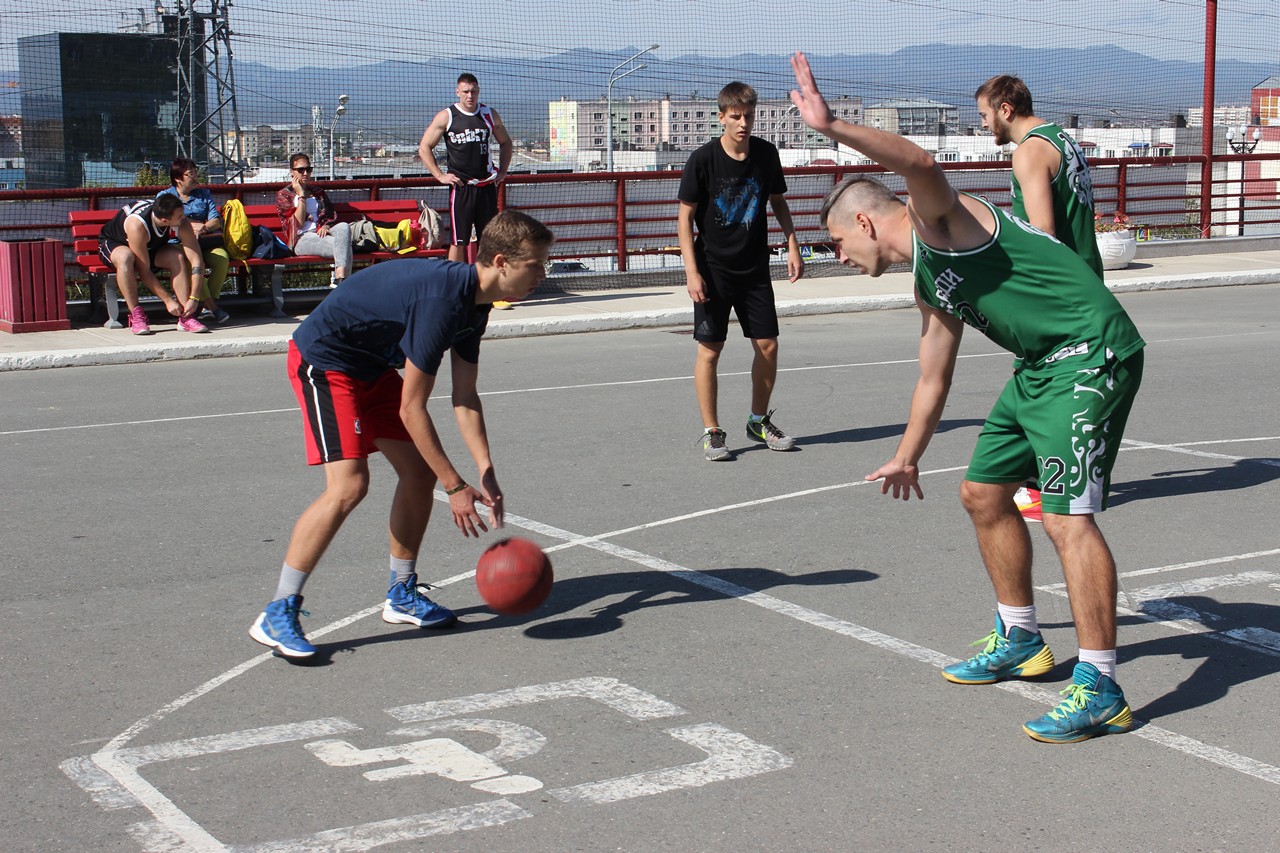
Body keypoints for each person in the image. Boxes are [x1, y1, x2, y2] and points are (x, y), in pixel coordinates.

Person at [790, 52, 1145, 743]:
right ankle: (1020, 638)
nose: (834, 253)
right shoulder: (928, 278)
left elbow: (920, 164)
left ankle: (1101, 686)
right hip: (1043, 364)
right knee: (983, 492)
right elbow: (933, 376)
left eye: (833, 241)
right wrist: (906, 456)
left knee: (1066, 518)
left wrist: (831, 125)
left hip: (1089, 351)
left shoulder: (939, 225)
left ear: (863, 224)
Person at [249, 210, 554, 659]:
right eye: (536, 265)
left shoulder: (477, 306)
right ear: (503, 261)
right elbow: (413, 409)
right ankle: (278, 610)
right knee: (349, 486)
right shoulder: (442, 302)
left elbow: (465, 396)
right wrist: (455, 486)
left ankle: (401, 593)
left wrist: (484, 471)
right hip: (325, 359)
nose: (542, 276)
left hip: (368, 365)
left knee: (417, 473)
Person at [975, 74, 1104, 523]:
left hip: (1058, 292)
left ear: (1005, 109)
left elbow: (1043, 233)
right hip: (1087, 278)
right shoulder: (1063, 139)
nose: (984, 125)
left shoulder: (1029, 151)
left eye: (985, 115)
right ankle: (1055, 478)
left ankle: (1037, 486)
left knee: (1041, 382)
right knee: (1059, 382)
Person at [677, 81, 804, 462]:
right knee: (710, 350)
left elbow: (777, 201)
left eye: (749, 116)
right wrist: (691, 272)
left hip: (755, 269)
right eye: (736, 117)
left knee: (768, 345)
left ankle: (758, 419)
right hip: (713, 270)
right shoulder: (702, 160)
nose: (744, 123)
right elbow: (684, 219)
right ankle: (712, 431)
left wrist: (793, 243)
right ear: (722, 118)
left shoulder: (766, 154)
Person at [417, 73, 514, 307]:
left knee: (490, 240)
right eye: (466, 91)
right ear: (457, 92)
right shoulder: (448, 116)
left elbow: (506, 142)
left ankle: (492, 291)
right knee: (458, 241)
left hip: (486, 187)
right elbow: (424, 147)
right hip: (461, 188)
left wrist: (502, 172)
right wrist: (440, 175)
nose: (470, 96)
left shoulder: (488, 115)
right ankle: (455, 290)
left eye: (474, 91)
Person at [97, 193, 211, 335]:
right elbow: (144, 270)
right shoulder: (137, 225)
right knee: (126, 258)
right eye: (180, 216)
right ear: (165, 220)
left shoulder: (181, 222)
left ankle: (186, 316)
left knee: (177, 257)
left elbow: (197, 261)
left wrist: (194, 299)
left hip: (149, 246)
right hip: (115, 244)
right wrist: (168, 300)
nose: (184, 218)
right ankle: (136, 315)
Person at [158, 157, 231, 324]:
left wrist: (203, 228)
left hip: (205, 242)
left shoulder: (204, 195)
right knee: (191, 261)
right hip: (177, 244)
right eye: (191, 173)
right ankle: (213, 307)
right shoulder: (165, 197)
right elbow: (164, 223)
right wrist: (189, 227)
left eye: (195, 172)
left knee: (222, 259)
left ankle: (204, 307)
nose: (196, 176)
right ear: (178, 178)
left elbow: (215, 220)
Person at [275, 152, 352, 286]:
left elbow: (329, 215)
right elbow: (298, 223)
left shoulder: (318, 191)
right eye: (300, 170)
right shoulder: (284, 195)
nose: (305, 173)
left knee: (344, 226)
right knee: (345, 246)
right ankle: (342, 282)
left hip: (322, 234)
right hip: (302, 239)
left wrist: (326, 226)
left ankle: (340, 280)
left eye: (308, 169)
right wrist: (301, 195)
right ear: (292, 172)